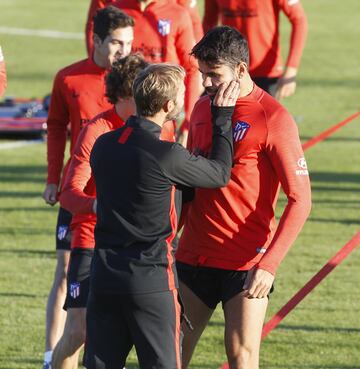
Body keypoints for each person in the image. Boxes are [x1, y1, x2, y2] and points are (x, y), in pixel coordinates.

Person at [84, 63, 240, 369]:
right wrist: (222, 117)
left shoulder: (103, 146)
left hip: (103, 278)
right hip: (151, 282)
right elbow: (221, 174)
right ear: (169, 105)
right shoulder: (167, 155)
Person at [176, 26, 312, 369]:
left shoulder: (273, 118)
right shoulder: (202, 109)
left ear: (241, 69)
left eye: (214, 75)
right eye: (203, 74)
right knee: (172, 352)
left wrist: (269, 265)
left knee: (242, 355)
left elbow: (301, 199)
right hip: (193, 255)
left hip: (245, 264)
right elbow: (191, 184)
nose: (206, 84)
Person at [41, 7, 134, 369]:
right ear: (95, 40)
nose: (123, 51)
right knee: (65, 273)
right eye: (116, 43)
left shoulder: (135, 84)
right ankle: (52, 355)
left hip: (119, 200)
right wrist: (52, 178)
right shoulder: (69, 79)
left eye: (128, 43)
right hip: (79, 195)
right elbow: (56, 128)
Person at [53, 54, 147, 369]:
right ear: (123, 96)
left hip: (137, 245)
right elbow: (69, 193)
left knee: (131, 334)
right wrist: (99, 205)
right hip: (92, 237)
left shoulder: (158, 128)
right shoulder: (97, 130)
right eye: (141, 95)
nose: (152, 102)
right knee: (79, 330)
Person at [202, 0, 308, 99]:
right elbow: (209, 22)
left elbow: (299, 20)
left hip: (265, 73)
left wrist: (291, 69)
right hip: (229, 70)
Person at [85, 0, 203, 56]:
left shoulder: (178, 12)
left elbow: (194, 23)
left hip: (164, 80)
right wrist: (95, 57)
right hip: (122, 77)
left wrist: (199, 56)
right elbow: (94, 23)